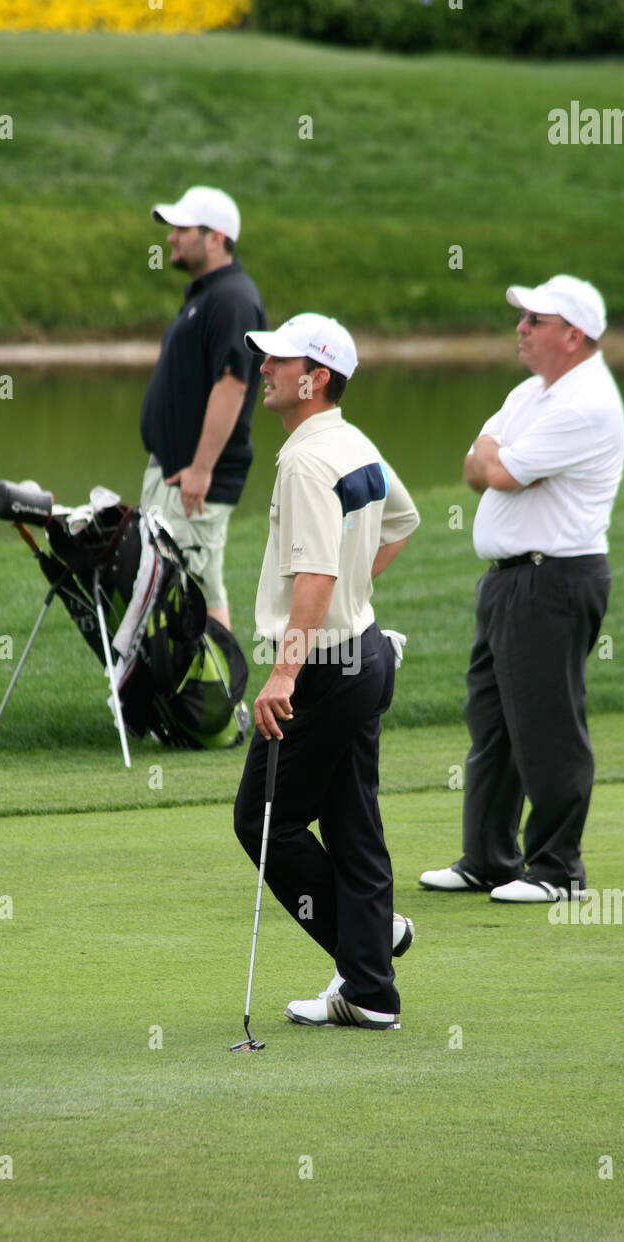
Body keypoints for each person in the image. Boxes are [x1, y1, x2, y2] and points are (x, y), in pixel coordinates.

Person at [233, 314, 420, 1030]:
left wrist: (282, 675)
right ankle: (371, 986)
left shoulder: (307, 459)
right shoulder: (353, 441)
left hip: (322, 667)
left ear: (314, 378)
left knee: (263, 823)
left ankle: (366, 954)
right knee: (352, 825)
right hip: (363, 652)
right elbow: (402, 522)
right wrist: (351, 594)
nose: (264, 370)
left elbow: (313, 574)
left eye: (277, 361)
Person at [420, 275, 624, 904]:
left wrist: (498, 460)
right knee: (493, 722)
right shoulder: (533, 392)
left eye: (535, 319)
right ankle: (489, 859)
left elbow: (499, 469)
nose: (521, 328)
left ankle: (559, 870)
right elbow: (473, 467)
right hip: (511, 580)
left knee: (546, 724)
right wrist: (496, 461)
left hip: (555, 579)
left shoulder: (583, 401)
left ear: (574, 334)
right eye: (523, 318)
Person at [139, 186, 266, 630]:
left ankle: (220, 698)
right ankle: (193, 696)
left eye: (182, 228)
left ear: (215, 238)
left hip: (193, 479)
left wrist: (201, 469)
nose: (171, 237)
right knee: (181, 590)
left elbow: (232, 385)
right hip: (176, 474)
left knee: (194, 591)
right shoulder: (208, 294)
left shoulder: (231, 298)